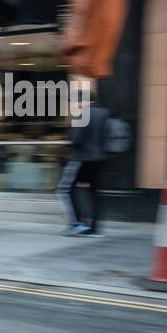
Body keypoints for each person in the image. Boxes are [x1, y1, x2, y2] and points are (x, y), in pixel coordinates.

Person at [58, 90, 109, 237]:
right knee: (95, 192)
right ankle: (95, 229)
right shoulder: (105, 113)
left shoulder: (83, 114)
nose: (76, 104)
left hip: (82, 158)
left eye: (78, 101)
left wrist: (69, 140)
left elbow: (76, 139)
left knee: (66, 189)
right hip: (100, 159)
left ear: (84, 101)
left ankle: (77, 222)